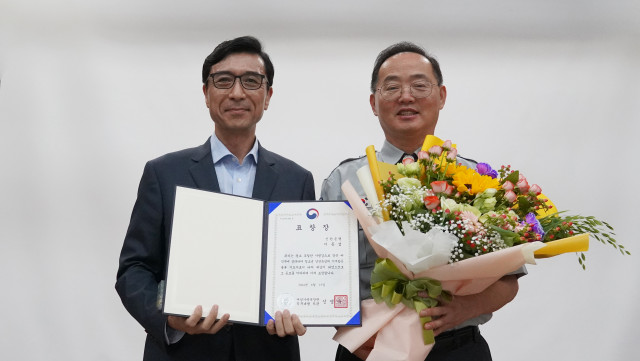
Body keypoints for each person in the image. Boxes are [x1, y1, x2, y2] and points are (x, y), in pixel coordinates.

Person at [116, 36, 314, 361]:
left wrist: (302, 306)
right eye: (223, 81)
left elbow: (303, 273)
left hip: (268, 351)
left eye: (251, 81)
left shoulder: (297, 180)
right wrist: (169, 318)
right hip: (184, 352)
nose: (237, 92)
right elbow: (134, 269)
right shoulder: (163, 173)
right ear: (206, 94)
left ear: (268, 96)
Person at [321, 41, 521, 361]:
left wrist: (464, 308)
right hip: (368, 349)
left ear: (441, 96)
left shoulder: (476, 181)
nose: (406, 96)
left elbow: (509, 279)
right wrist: (347, 331)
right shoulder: (343, 181)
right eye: (392, 87)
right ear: (374, 103)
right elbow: (321, 275)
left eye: (419, 85)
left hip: (456, 347)